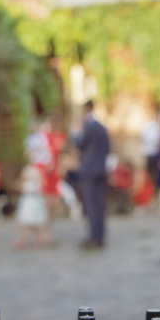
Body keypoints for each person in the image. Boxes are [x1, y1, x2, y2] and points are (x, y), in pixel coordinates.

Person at [72, 99, 111, 249]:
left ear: (85, 109)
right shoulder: (102, 127)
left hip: (89, 171)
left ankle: (94, 238)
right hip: (101, 169)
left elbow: (79, 143)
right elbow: (107, 148)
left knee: (92, 205)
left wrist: (74, 134)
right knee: (99, 205)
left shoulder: (88, 126)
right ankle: (99, 236)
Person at [13, 162, 50, 249]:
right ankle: (36, 240)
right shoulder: (37, 183)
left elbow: (22, 188)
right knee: (34, 224)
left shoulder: (32, 183)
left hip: (30, 205)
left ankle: (28, 240)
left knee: (27, 224)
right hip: (33, 204)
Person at [140, 104, 160, 192]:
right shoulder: (155, 127)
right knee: (153, 173)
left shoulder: (149, 126)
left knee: (153, 173)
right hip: (153, 153)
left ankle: (154, 189)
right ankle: (153, 189)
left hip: (150, 153)